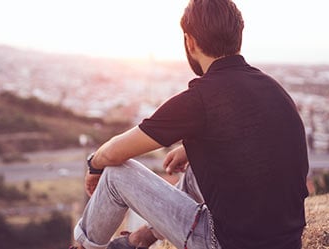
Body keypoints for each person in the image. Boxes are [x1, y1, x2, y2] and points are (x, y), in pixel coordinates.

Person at [71, 0, 309, 248]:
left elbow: (114, 152)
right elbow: (257, 138)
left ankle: (81, 246)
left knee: (116, 174)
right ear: (238, 36)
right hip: (287, 241)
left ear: (190, 41)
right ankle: (144, 237)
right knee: (200, 164)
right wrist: (191, 149)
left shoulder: (200, 98)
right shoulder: (273, 88)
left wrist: (94, 163)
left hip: (228, 244)